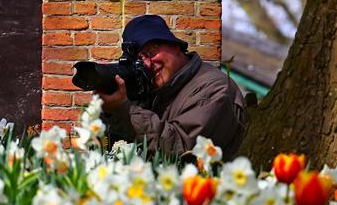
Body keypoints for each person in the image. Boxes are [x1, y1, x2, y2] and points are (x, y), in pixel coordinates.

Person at [97, 14, 246, 161]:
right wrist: (111, 108)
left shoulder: (214, 87)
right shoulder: (153, 91)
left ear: (175, 45)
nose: (147, 64)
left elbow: (181, 151)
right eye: (139, 61)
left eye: (151, 52)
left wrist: (125, 110)